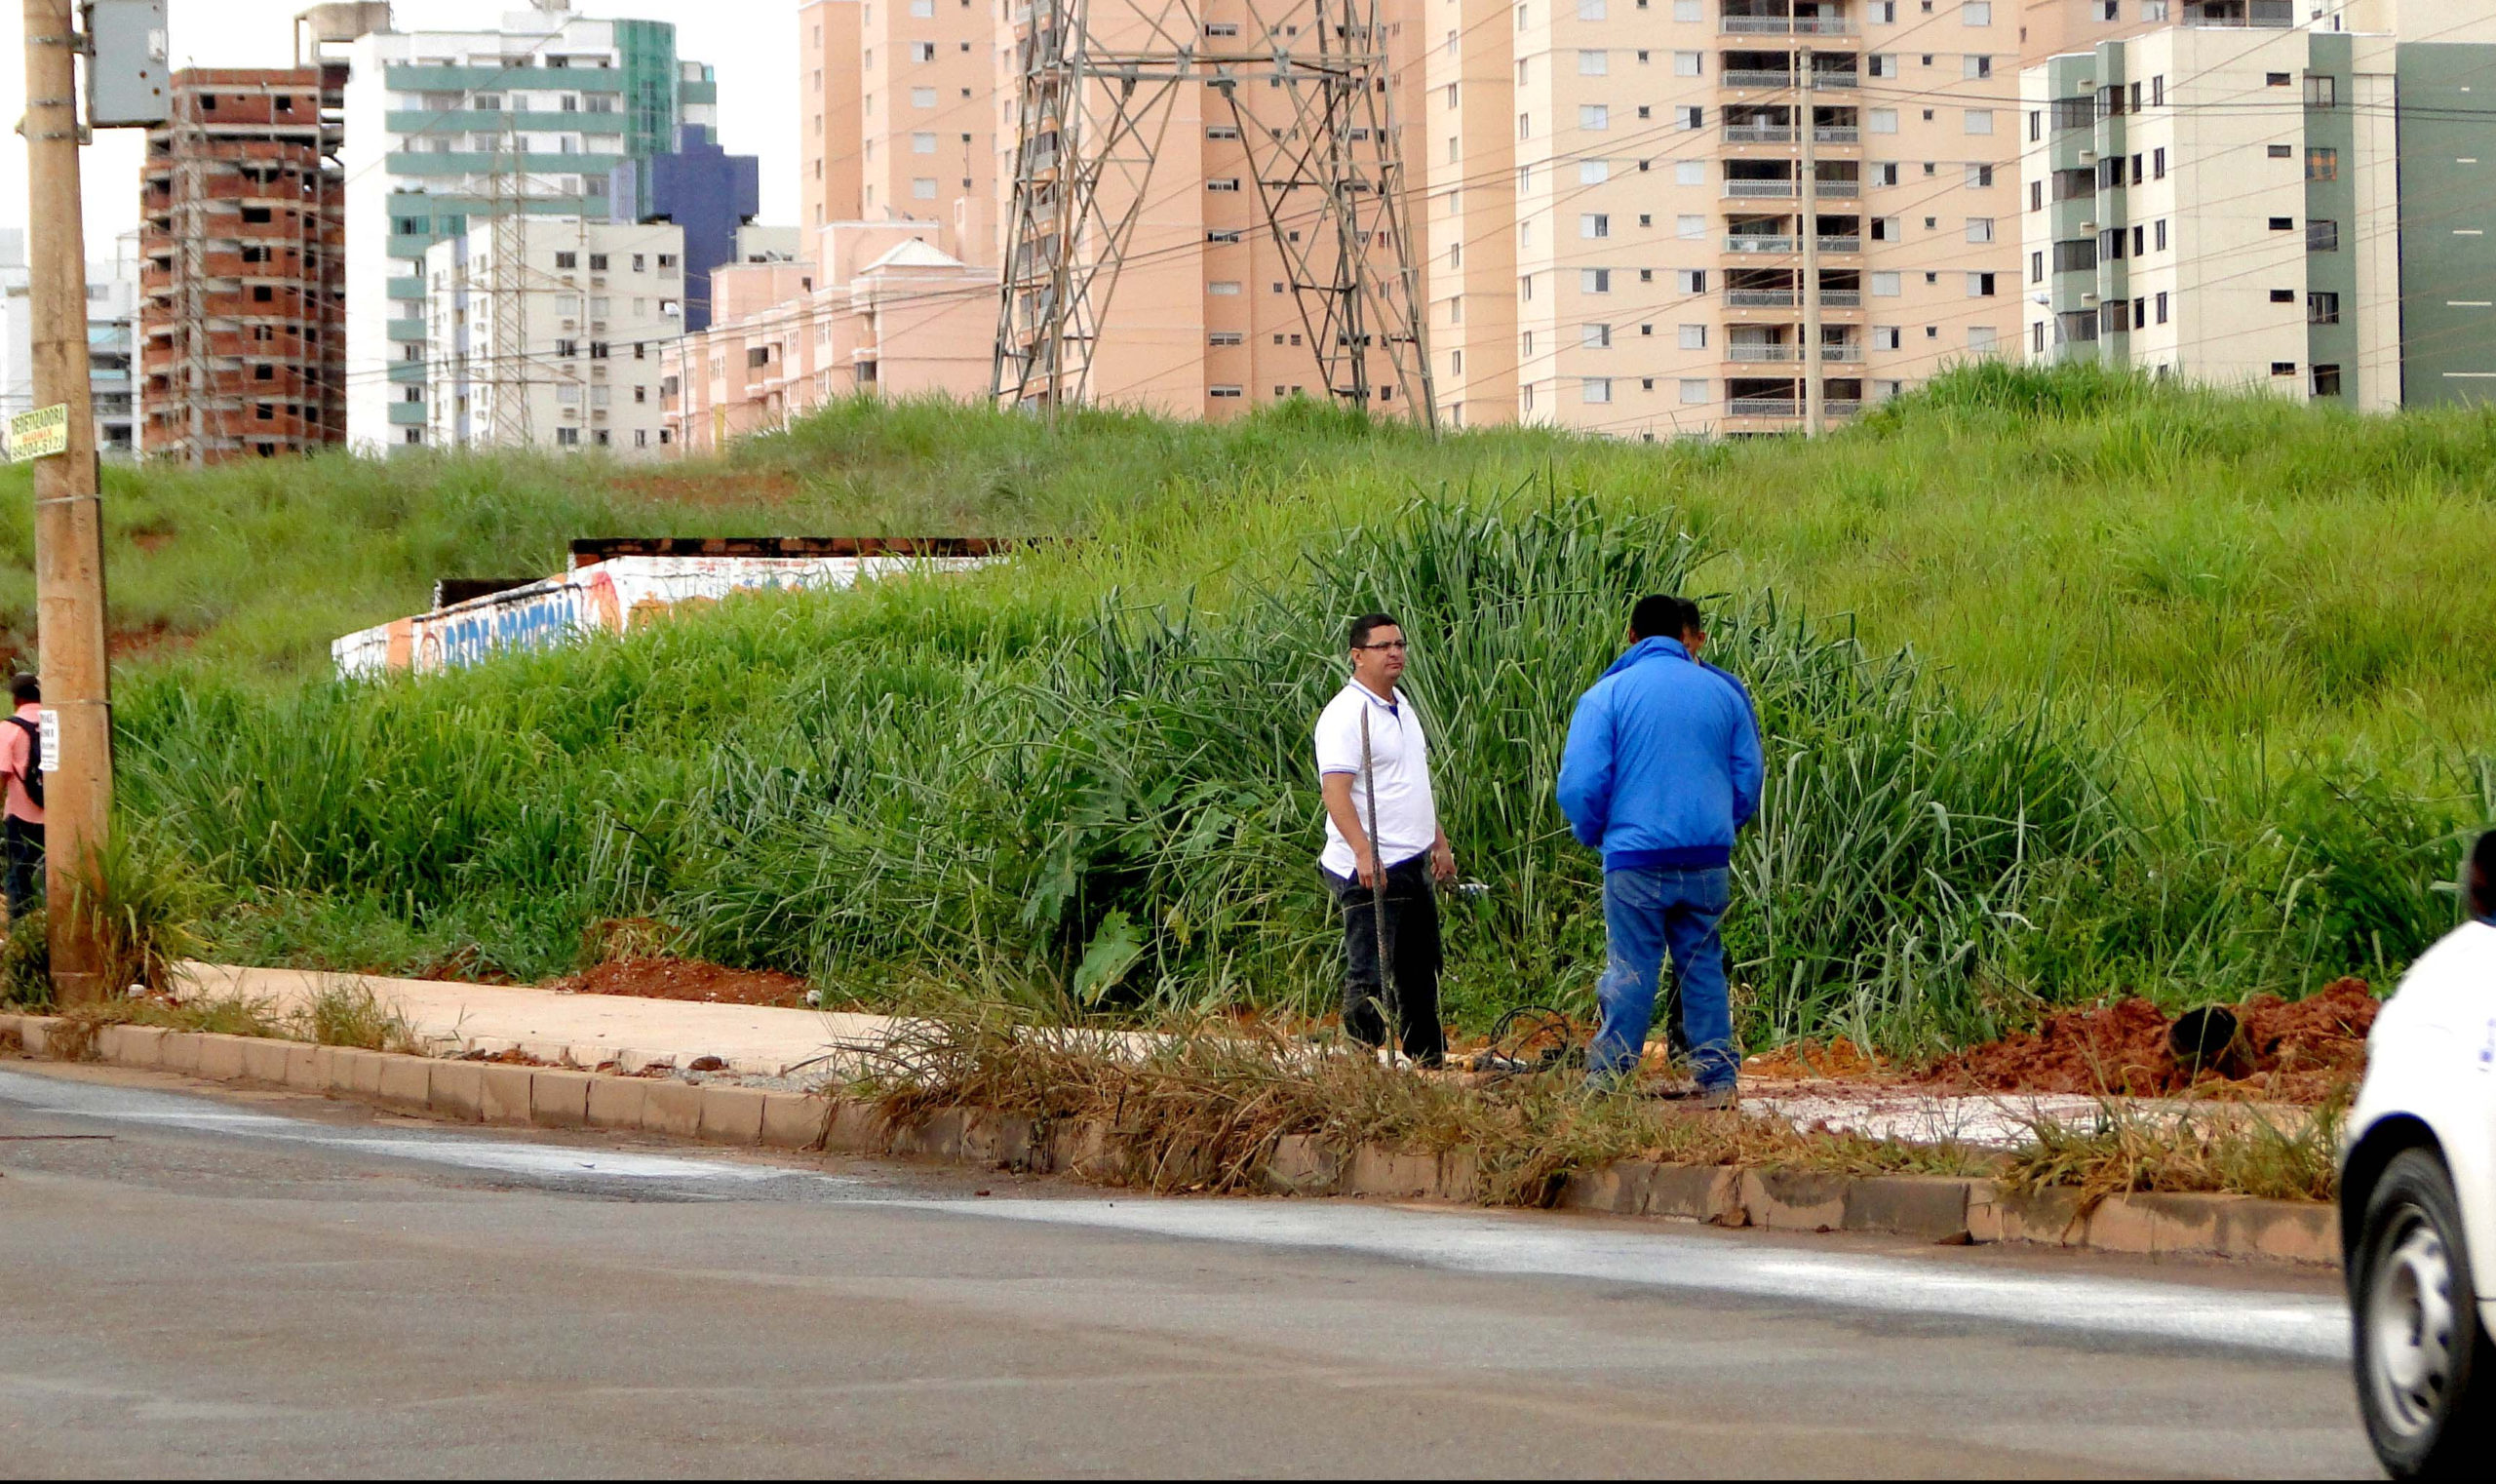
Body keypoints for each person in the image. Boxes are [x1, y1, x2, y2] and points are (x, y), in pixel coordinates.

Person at [1557, 597, 1764, 1102]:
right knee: (1703, 966)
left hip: (1635, 858)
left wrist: (1594, 832)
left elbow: (1580, 784)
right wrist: (1722, 825)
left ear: (1632, 636)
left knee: (1630, 968)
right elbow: (1749, 775)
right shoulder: (1724, 692)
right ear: (1682, 634)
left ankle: (1609, 1081)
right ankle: (1718, 1080)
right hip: (1707, 856)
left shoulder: (1607, 694)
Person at [1315, 612, 1456, 1066]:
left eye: (1399, 644)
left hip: (1411, 860)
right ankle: (1360, 1061)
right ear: (1357, 656)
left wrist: (1438, 841)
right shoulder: (1346, 715)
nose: (1395, 653)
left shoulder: (1402, 707)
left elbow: (1411, 782)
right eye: (1383, 646)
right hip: (1369, 867)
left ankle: (1427, 1057)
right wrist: (1363, 851)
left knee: (1421, 967)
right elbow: (1335, 792)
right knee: (1370, 971)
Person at [3, 674, 44, 922]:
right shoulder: (57, 724)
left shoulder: (8, 728)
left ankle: (22, 931)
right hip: (58, 816)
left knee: (19, 875)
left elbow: (1, 773)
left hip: (21, 815)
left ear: (16, 698)